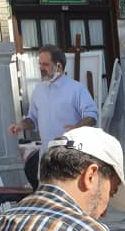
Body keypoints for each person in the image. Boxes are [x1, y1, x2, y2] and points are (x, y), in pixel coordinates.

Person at [9, 45, 98, 189]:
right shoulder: (38, 90)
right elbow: (32, 119)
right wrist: (21, 125)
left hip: (70, 154)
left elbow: (92, 116)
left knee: (70, 196)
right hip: (46, 156)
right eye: (39, 64)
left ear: (58, 66)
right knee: (47, 197)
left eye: (45, 64)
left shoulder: (76, 89)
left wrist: (76, 128)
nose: (41, 68)